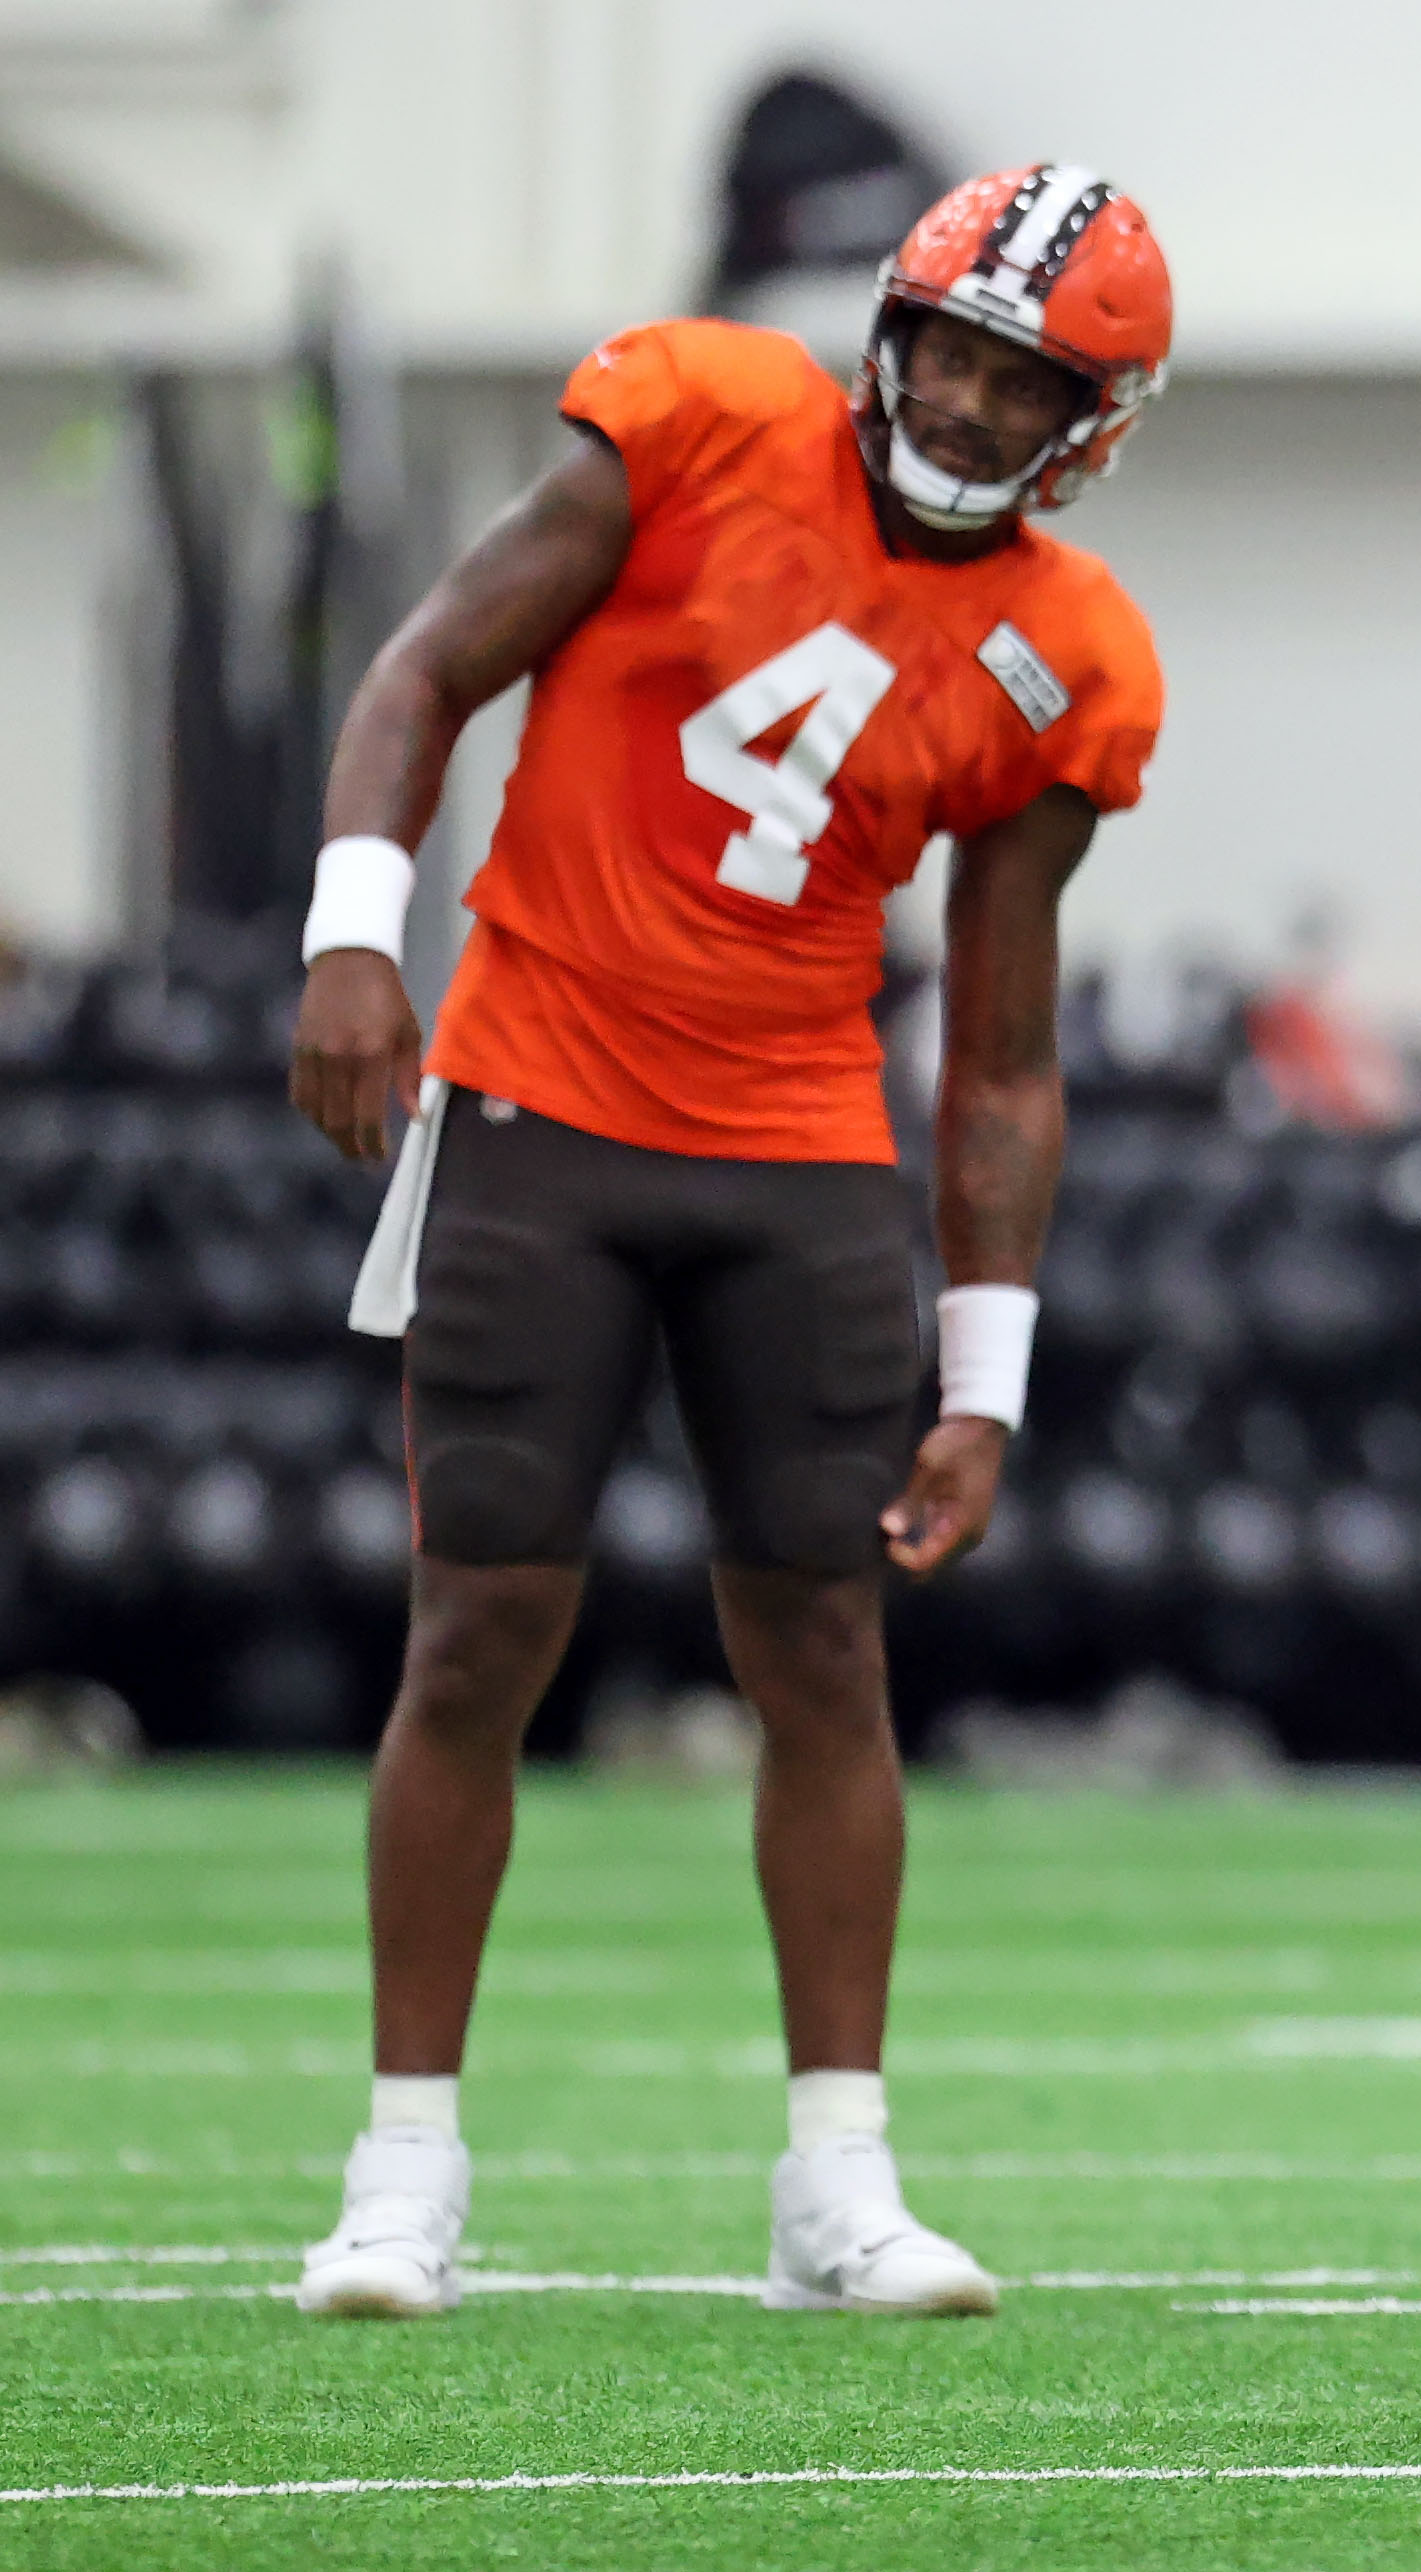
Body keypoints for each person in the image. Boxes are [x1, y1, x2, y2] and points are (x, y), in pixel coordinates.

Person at [284, 165, 1170, 2320]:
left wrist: (992, 1371)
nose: (961, 402)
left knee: (826, 1648)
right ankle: (403, 2160)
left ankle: (837, 2178)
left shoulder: (1069, 652)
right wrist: (348, 935)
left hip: (792, 1146)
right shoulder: (693, 416)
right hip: (538, 1101)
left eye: (1015, 378)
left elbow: (1004, 1046)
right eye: (946, 349)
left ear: (1092, 419)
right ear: (891, 326)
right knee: (482, 1624)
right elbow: (430, 663)